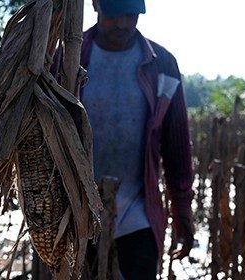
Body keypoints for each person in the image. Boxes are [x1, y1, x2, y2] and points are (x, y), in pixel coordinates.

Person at [79, 0, 195, 278]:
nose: (123, 24)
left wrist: (182, 211)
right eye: (114, 15)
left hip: (138, 215)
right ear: (95, 5)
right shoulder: (69, 57)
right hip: (77, 214)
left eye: (132, 15)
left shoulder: (162, 65)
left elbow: (176, 144)